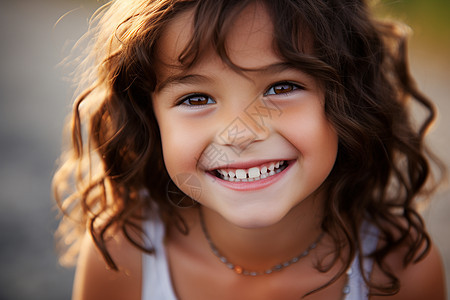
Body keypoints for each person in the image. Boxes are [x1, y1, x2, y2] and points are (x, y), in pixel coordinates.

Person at [53, 0, 446, 299]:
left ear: (349, 100)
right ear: (149, 118)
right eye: (195, 98)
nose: (238, 134)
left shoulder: (399, 269)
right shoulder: (123, 253)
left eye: (281, 87)